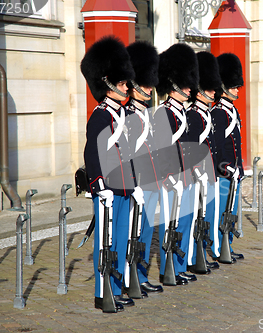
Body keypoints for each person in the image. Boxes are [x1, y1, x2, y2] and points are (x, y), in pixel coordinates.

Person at [80, 35, 137, 312]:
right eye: (123, 82)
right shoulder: (101, 116)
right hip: (108, 191)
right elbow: (93, 154)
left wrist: (134, 183)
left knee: (121, 241)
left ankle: (115, 288)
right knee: (106, 243)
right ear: (108, 82)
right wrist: (99, 185)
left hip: (124, 188)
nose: (127, 86)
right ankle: (102, 294)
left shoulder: (121, 114)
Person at [153, 43, 199, 285]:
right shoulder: (164, 113)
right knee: (170, 223)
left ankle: (179, 266)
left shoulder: (184, 112)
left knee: (185, 221)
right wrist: (172, 178)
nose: (190, 88)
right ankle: (168, 268)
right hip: (172, 180)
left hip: (187, 176)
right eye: (185, 84)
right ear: (173, 86)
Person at [124, 40, 163, 295]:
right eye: (145, 83)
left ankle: (141, 273)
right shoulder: (126, 114)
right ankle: (129, 279)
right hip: (134, 184)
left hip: (150, 182)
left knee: (146, 233)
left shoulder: (149, 113)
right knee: (132, 234)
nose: (149, 88)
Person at [186, 51, 223, 274]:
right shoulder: (193, 114)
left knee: (202, 218)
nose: (213, 92)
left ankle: (199, 254)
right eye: (209, 88)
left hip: (207, 174)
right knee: (194, 218)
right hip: (196, 175)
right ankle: (192, 257)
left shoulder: (205, 113)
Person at [211, 53, 245, 263]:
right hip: (224, 174)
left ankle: (227, 245)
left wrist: (239, 167)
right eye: (232, 86)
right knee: (221, 213)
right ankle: (217, 248)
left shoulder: (231, 110)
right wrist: (227, 168)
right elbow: (217, 147)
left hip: (234, 172)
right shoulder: (218, 112)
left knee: (230, 213)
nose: (236, 89)